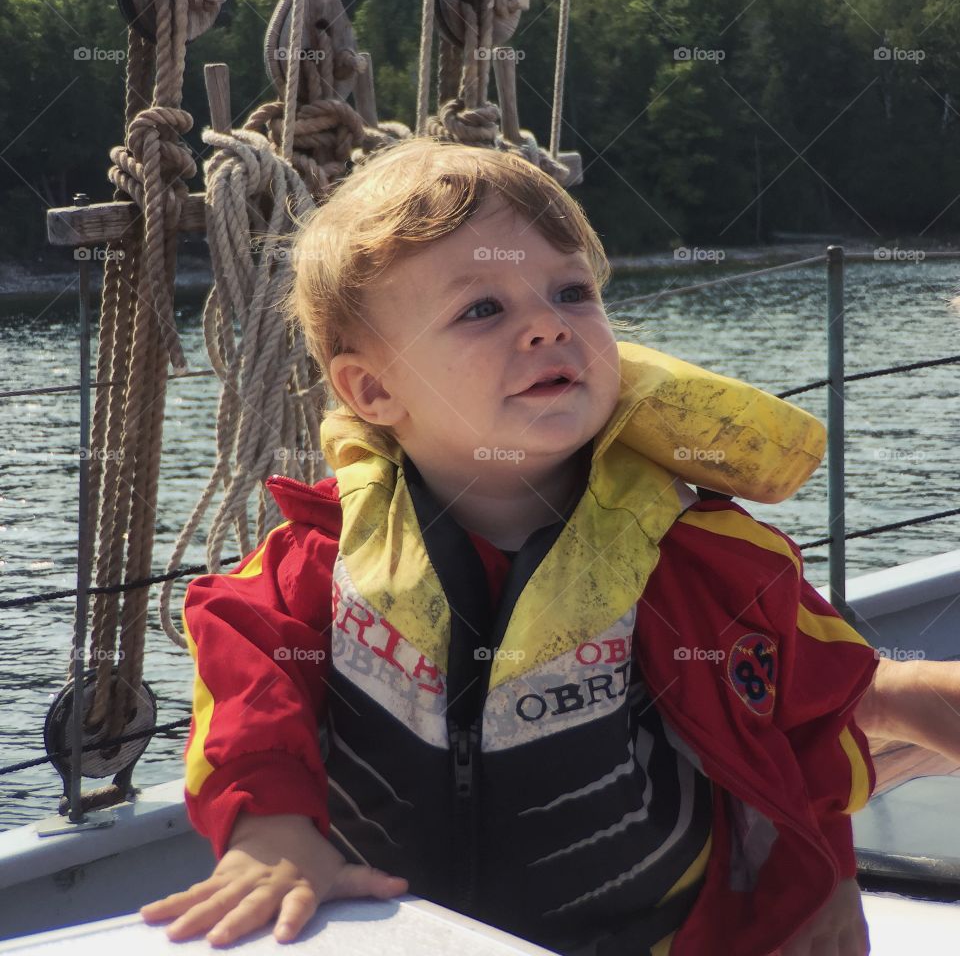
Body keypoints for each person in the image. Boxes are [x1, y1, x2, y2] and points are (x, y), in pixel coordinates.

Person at [143, 139, 889, 955]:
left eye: (572, 292)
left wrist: (830, 884)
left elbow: (812, 723)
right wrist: (274, 835)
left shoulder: (703, 559)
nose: (546, 326)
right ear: (373, 389)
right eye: (482, 310)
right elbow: (248, 696)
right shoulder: (310, 568)